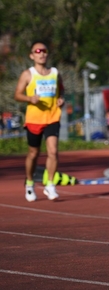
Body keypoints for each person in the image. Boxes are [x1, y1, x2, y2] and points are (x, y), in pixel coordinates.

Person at [13, 41, 65, 201]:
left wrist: (61, 99)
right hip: (34, 119)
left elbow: (61, 90)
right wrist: (30, 98)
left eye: (44, 50)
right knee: (33, 154)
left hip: (52, 117)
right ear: (32, 56)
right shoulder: (28, 74)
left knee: (53, 151)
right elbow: (17, 94)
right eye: (37, 51)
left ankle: (50, 185)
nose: (41, 53)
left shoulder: (55, 73)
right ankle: (29, 183)